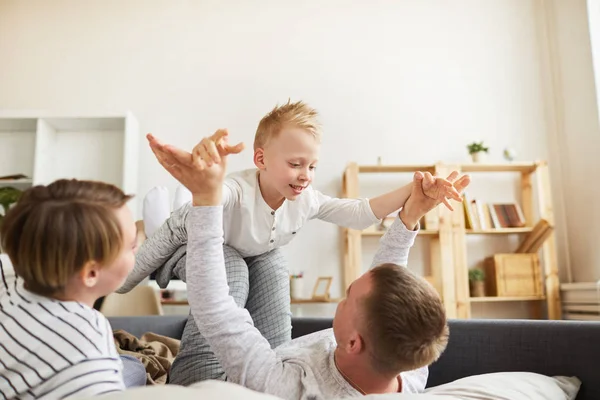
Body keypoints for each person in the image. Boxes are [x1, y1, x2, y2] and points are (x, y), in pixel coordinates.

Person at [117, 101, 463, 385]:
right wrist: (125, 281)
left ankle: (173, 209)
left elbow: (359, 214)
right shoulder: (410, 370)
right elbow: (186, 225)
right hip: (191, 233)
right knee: (237, 259)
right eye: (296, 164)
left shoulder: (289, 385)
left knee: (264, 258)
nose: (306, 175)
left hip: (241, 245)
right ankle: (162, 215)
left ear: (356, 342)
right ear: (261, 160)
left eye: (312, 166)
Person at [0, 179, 142, 398]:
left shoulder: (8, 273)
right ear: (91, 273)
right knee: (134, 367)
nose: (137, 248)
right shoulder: (87, 346)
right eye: (132, 246)